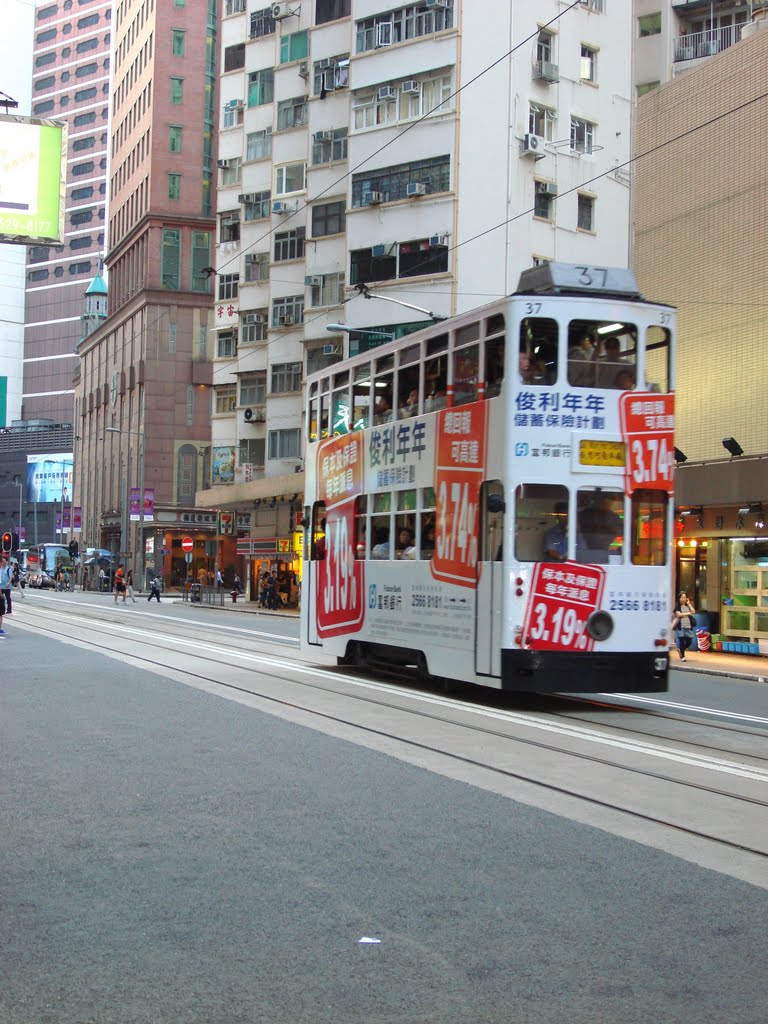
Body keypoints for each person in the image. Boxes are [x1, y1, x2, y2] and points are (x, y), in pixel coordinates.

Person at [672, 591, 696, 661]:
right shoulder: (677, 607)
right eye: (682, 597)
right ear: (679, 598)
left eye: (685, 597)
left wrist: (689, 604)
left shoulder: (688, 606)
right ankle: (683, 657)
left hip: (688, 626)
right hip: (680, 627)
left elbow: (693, 611)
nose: (684, 599)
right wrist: (688, 613)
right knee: (682, 641)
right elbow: (679, 614)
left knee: (689, 641)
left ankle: (680, 650)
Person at [0, 555, 13, 630]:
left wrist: (9, 582)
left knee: (8, 598)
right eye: (2, 560)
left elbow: (11, 576)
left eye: (4, 560)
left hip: (7, 586)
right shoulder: (0, 569)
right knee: (2, 599)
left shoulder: (8, 569)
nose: (3, 562)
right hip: (1, 586)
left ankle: (9, 609)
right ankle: (3, 609)